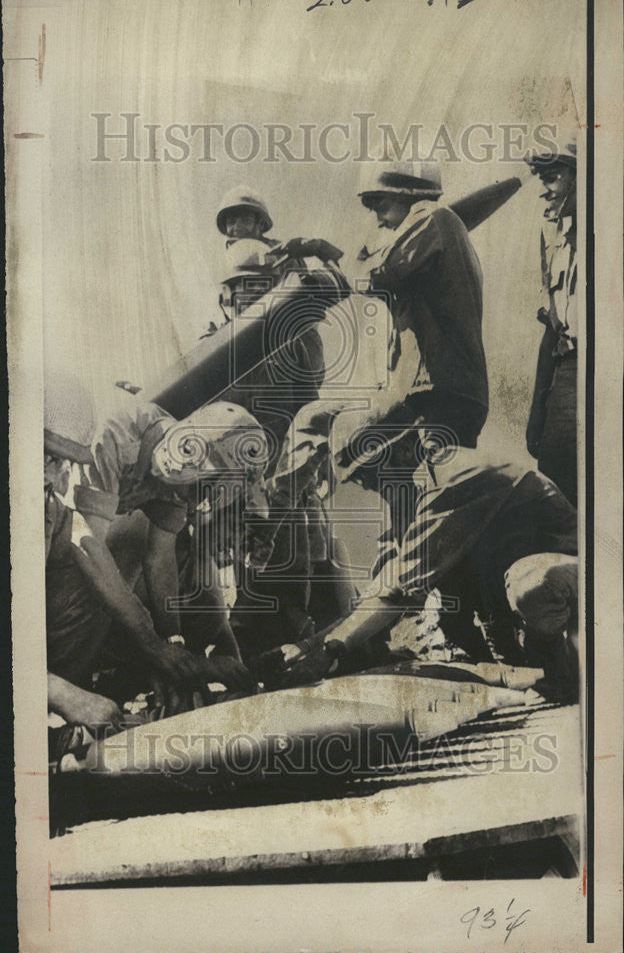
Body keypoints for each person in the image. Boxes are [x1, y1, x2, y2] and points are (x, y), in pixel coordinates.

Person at [265, 403, 579, 699]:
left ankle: (558, 669)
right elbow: (385, 585)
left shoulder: (453, 475)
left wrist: (330, 650)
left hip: (576, 588)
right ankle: (538, 668)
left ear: (402, 450)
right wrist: (309, 644)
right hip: (530, 605)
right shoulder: (417, 489)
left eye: (369, 475)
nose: (370, 487)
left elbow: (399, 592)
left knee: (533, 583)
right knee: (450, 614)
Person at [45, 372, 255, 726]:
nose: (190, 495)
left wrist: (173, 646)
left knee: (128, 578)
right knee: (101, 584)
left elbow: (161, 559)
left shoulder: (182, 474)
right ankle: (53, 692)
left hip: (79, 547)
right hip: (63, 555)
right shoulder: (113, 436)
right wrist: (151, 646)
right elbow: (88, 549)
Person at [212, 188, 350, 654]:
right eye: (237, 291)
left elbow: (310, 412)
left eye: (256, 288)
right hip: (232, 475)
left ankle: (322, 635)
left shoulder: (293, 338)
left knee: (309, 559)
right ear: (224, 295)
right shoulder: (210, 347)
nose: (244, 299)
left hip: (285, 466)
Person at [357, 160, 488, 449]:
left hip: (441, 393)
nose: (380, 221)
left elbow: (375, 278)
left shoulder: (432, 218)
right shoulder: (442, 228)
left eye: (382, 207)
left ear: (407, 196)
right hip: (440, 391)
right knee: (426, 485)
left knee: (437, 486)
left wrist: (364, 254)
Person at [524, 139, 577, 506]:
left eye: (553, 178)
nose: (544, 191)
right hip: (566, 375)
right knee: (555, 482)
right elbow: (552, 328)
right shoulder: (553, 238)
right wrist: (536, 411)